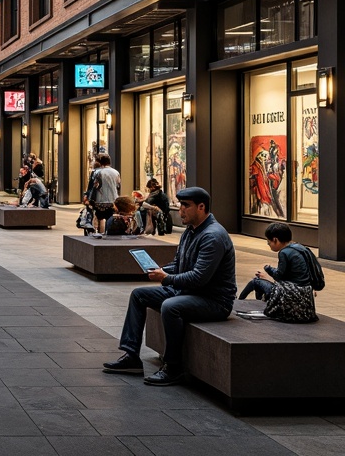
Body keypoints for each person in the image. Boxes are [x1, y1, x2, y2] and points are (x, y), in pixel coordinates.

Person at [102, 186, 237, 386]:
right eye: (180, 205)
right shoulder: (191, 231)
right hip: (190, 291)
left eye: (185, 206)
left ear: (201, 207)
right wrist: (160, 269)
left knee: (171, 307)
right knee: (139, 295)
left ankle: (173, 367)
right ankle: (131, 356)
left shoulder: (213, 236)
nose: (180, 210)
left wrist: (165, 278)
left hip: (213, 300)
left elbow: (199, 278)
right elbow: (180, 264)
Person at [239, 222, 313, 300]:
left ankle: (238, 302)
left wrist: (268, 269)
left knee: (255, 282)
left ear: (275, 240)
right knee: (262, 281)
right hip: (305, 291)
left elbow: (278, 276)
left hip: (291, 293)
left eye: (269, 242)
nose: (269, 245)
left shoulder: (284, 252)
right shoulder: (301, 248)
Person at [88, 153, 120, 234]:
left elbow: (94, 187)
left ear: (99, 162)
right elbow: (118, 185)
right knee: (110, 218)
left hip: (100, 200)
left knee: (99, 218)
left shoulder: (97, 172)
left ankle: (99, 233)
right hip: (113, 200)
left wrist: (89, 198)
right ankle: (108, 232)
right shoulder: (116, 172)